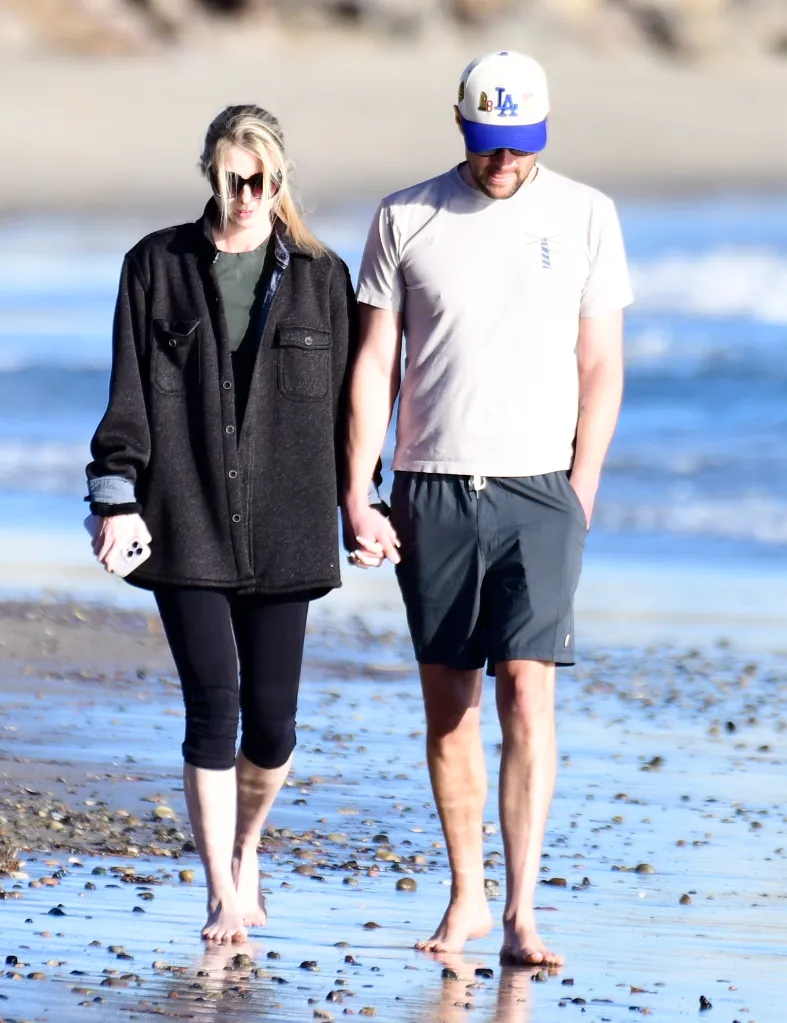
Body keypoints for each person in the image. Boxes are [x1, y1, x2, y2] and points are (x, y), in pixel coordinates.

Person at [342, 51, 633, 965]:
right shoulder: (405, 215)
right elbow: (372, 368)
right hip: (431, 484)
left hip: (540, 489)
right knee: (448, 708)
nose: (502, 163)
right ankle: (466, 892)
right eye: (487, 145)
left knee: (528, 690)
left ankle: (519, 910)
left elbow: (601, 367)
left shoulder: (586, 215)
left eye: (518, 147)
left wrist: (579, 489)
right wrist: (357, 487)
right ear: (459, 126)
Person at [86, 104, 357, 944]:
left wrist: (365, 501)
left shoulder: (321, 275)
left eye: (263, 181)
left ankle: (246, 849)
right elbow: (127, 396)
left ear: (281, 180)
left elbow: (354, 410)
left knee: (272, 722)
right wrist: (112, 499)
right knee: (214, 707)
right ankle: (218, 892)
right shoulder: (155, 266)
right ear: (211, 172)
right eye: (233, 179)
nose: (247, 196)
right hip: (186, 517)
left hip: (288, 524)